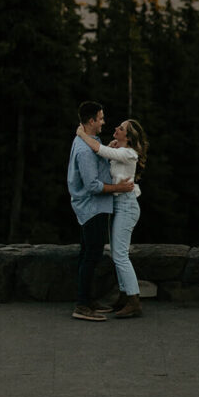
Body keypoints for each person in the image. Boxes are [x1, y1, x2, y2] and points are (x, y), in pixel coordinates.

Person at [67, 101, 134, 321]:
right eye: (101, 118)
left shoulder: (90, 142)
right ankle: (82, 305)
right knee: (91, 256)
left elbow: (100, 157)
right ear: (91, 121)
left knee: (88, 254)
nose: (104, 122)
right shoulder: (85, 150)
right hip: (92, 208)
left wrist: (111, 148)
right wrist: (120, 188)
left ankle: (87, 299)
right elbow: (93, 186)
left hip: (93, 208)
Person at [76, 117, 149, 319]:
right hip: (119, 205)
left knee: (120, 256)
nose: (116, 128)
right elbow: (106, 156)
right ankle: (125, 297)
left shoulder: (128, 153)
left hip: (126, 206)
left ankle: (134, 300)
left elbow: (99, 151)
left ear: (129, 136)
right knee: (119, 254)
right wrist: (109, 146)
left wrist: (82, 134)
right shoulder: (121, 152)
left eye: (121, 128)